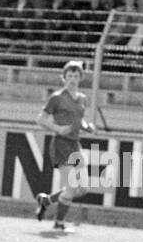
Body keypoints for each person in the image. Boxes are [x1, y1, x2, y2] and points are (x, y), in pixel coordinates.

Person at [34, 60, 96, 232]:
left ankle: (46, 201)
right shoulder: (57, 98)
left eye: (76, 76)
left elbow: (78, 119)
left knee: (82, 188)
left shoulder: (82, 98)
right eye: (69, 76)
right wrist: (58, 129)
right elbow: (40, 119)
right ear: (64, 78)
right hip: (61, 145)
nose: (73, 79)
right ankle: (58, 224)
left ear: (81, 78)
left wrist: (86, 126)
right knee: (72, 187)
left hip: (75, 145)